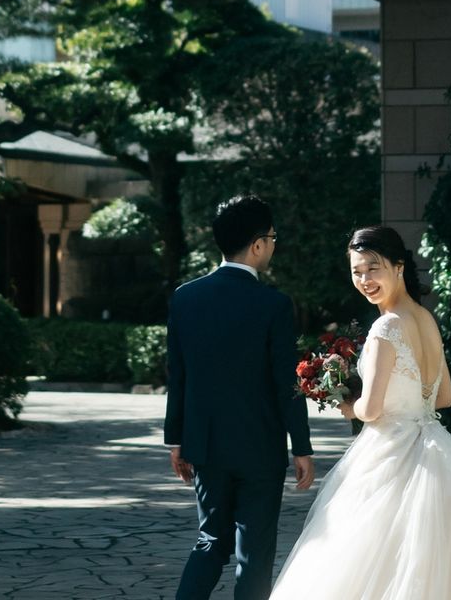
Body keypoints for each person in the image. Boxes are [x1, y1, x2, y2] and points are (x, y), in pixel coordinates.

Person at [270, 225, 451, 600]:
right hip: (437, 450)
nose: (365, 280)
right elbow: (444, 396)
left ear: (399, 267)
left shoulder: (385, 327)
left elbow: (371, 409)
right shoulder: (425, 318)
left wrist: (346, 404)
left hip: (391, 452)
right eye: (357, 271)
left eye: (373, 268)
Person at [165, 194, 315, 600]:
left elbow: (178, 376)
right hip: (260, 447)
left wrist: (176, 440)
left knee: (211, 540)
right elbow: (286, 383)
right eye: (272, 237)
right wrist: (301, 446)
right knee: (255, 551)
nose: (273, 245)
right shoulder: (274, 305)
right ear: (258, 244)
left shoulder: (185, 297)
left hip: (206, 445)